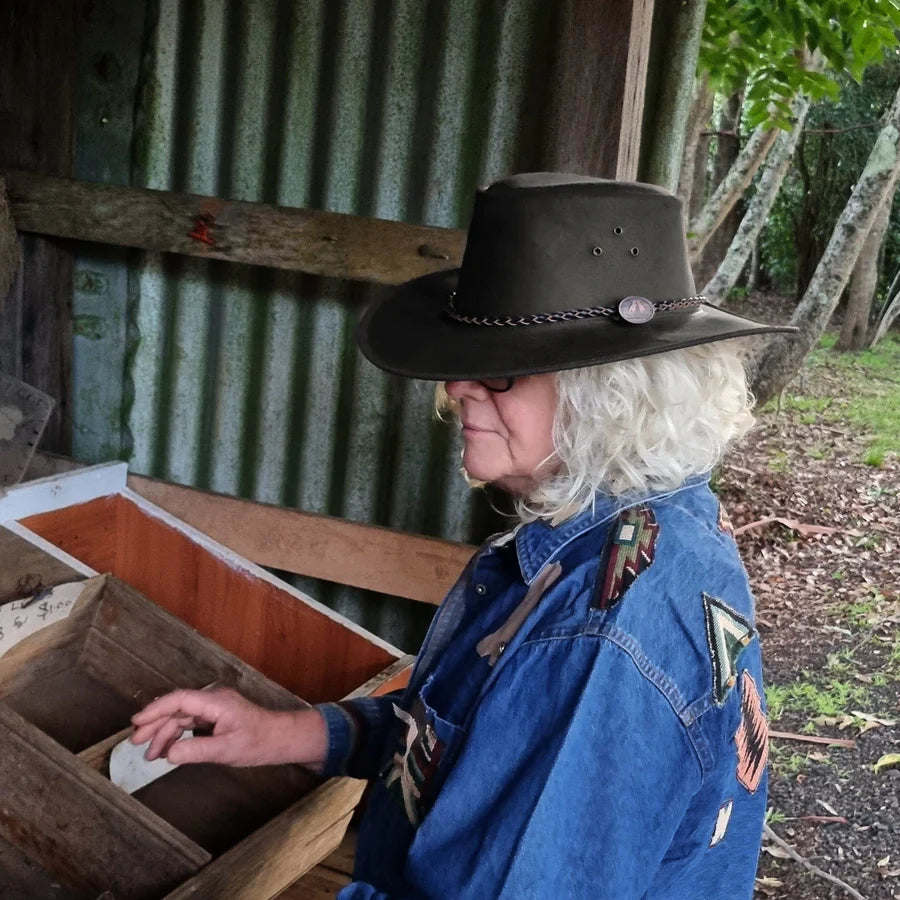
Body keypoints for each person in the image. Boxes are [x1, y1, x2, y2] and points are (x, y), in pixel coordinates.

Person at [131, 174, 796, 899]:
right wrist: (279, 735)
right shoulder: (647, 529)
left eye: (501, 371)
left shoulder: (600, 635)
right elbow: (476, 735)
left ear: (608, 391)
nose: (456, 389)